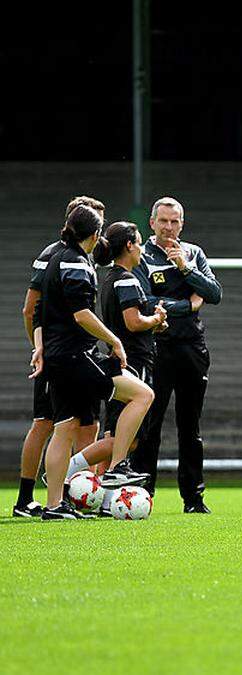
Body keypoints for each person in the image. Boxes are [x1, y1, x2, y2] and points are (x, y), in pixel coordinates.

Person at [37, 205, 155, 519]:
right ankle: (117, 468)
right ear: (94, 234)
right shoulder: (76, 262)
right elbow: (81, 314)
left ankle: (53, 506)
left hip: (57, 356)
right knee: (143, 395)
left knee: (64, 428)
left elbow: (37, 312)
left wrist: (39, 347)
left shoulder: (56, 258)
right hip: (77, 355)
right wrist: (114, 341)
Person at [14, 196, 106, 517]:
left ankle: (76, 495)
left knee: (82, 424)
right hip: (60, 353)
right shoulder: (55, 257)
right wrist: (39, 347)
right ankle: (37, 499)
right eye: (97, 225)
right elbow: (31, 309)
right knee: (52, 423)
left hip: (68, 352)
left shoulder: (81, 257)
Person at [131, 197, 223, 513]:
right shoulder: (141, 256)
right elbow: (145, 302)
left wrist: (185, 268)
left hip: (191, 349)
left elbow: (214, 294)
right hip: (156, 348)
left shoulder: (193, 253)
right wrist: (188, 304)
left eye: (175, 221)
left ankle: (194, 499)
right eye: (163, 221)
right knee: (150, 424)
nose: (169, 227)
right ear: (152, 223)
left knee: (190, 427)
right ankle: (144, 495)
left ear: (182, 224)